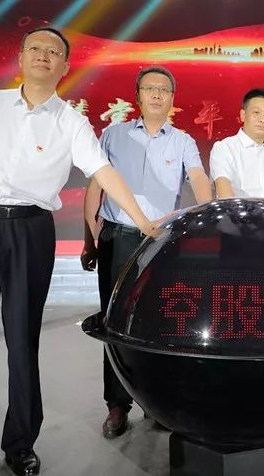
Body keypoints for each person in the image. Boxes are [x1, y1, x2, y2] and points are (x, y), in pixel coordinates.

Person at [0, 27, 158, 476]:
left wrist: (142, 220)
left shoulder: (71, 121)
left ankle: (20, 445)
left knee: (22, 343)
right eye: (35, 48)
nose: (44, 55)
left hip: (29, 231)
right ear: (21, 58)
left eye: (54, 51)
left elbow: (103, 171)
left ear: (64, 67)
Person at [80, 66, 212, 438]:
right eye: (149, 88)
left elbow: (198, 179)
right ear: (137, 95)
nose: (156, 94)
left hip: (161, 243)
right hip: (118, 238)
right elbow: (96, 188)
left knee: (162, 322)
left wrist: (210, 213)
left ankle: (157, 403)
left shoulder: (182, 141)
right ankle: (117, 404)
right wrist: (89, 240)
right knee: (114, 323)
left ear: (172, 98)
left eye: (164, 90)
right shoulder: (113, 134)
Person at [209, 88, 264, 200]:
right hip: (235, 211)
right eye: (256, 112)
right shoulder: (224, 148)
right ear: (243, 115)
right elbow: (224, 195)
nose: (262, 119)